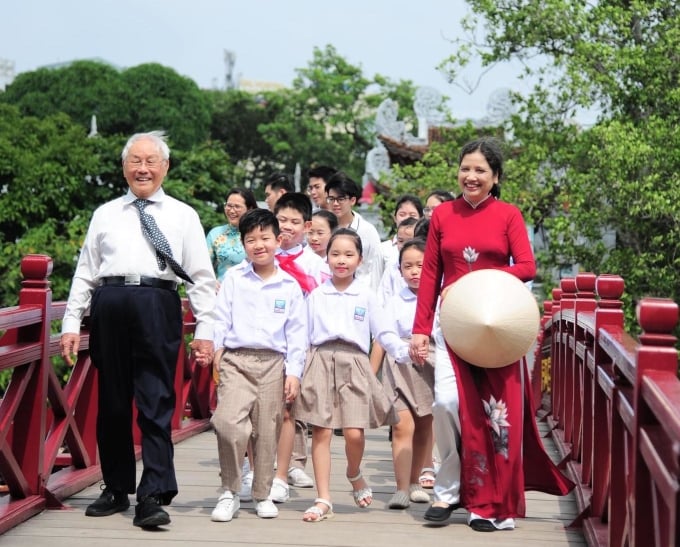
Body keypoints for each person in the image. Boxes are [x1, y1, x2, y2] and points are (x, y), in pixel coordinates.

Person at [409, 138, 574, 532]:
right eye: (466, 168)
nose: (471, 176)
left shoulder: (508, 215)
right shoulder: (444, 216)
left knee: (494, 416)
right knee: (448, 404)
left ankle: (488, 503)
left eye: (480, 170)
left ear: (495, 176)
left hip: (497, 328)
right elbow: (431, 275)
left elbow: (528, 267)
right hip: (453, 327)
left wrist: (479, 279)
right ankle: (448, 491)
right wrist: (419, 330)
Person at [59, 131, 217, 529]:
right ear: (124, 167)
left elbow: (200, 277)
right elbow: (85, 271)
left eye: (151, 161)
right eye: (135, 161)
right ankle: (115, 487)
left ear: (165, 167)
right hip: (109, 303)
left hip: (157, 302)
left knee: (156, 400)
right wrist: (70, 321)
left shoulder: (183, 215)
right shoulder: (105, 213)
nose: (142, 168)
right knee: (111, 400)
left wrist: (206, 330)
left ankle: (153, 493)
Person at [295, 229, 407, 523]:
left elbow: (383, 332)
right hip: (320, 360)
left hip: (356, 362)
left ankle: (353, 472)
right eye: (335, 254)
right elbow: (301, 338)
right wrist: (294, 372)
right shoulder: (316, 295)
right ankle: (323, 498)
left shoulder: (366, 295)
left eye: (348, 255)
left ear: (360, 259)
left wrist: (405, 352)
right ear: (327, 258)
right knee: (321, 430)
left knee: (354, 432)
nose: (341, 260)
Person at [210, 208, 307, 522]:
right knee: (227, 422)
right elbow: (220, 318)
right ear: (243, 244)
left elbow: (297, 334)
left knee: (267, 431)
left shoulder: (289, 286)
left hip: (272, 363)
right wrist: (216, 352)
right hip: (236, 360)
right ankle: (230, 491)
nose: (258, 244)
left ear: (278, 240)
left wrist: (294, 372)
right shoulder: (235, 278)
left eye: (264, 237)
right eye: (250, 239)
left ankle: (262, 493)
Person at [269, 192, 330, 503]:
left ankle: (285, 470)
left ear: (307, 226)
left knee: (290, 409)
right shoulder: (261, 256)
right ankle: (259, 468)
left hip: (300, 345)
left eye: (295, 222)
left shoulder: (318, 266)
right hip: (265, 343)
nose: (287, 227)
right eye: (282, 220)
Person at [370, 238, 435, 510]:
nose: (414, 271)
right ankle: (400, 488)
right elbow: (383, 333)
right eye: (408, 266)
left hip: (431, 364)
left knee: (424, 425)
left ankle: (416, 481)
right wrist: (404, 349)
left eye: (421, 265)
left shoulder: (439, 299)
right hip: (400, 364)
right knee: (402, 425)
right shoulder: (394, 301)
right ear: (399, 270)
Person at [325, 172, 383, 290]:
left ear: (352, 200)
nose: (335, 204)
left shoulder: (367, 231)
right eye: (331, 199)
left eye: (340, 199)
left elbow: (375, 267)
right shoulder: (323, 228)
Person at [206, 187, 258, 283]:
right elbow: (203, 267)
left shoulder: (259, 233)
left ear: (249, 208)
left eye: (237, 207)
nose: (232, 211)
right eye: (229, 206)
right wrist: (212, 283)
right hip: (222, 291)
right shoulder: (215, 234)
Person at [379, 194, 422, 271]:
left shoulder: (428, 248)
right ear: (395, 218)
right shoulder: (383, 249)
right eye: (402, 214)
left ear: (421, 219)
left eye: (412, 215)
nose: (407, 218)